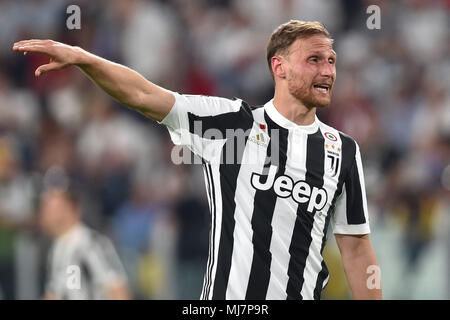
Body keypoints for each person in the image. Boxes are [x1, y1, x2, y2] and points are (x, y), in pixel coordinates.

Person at [13, 20, 382, 300]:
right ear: (279, 67)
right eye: (314, 60)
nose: (328, 71)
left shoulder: (342, 151)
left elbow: (356, 248)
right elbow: (143, 94)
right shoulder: (233, 125)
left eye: (331, 61)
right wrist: (83, 58)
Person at [38, 185, 130, 300]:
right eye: (45, 207)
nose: (46, 213)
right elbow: (56, 293)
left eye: (53, 208)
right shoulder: (58, 248)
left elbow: (117, 288)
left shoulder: (92, 244)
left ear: (73, 209)